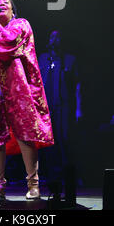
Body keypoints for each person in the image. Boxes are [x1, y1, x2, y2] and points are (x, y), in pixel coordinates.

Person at [0, 0, 54, 200]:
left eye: (4, 2)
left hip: (18, 89)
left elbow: (8, 44)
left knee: (25, 134)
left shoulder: (21, 25)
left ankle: (33, 184)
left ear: (12, 9)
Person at [38, 30, 82, 193]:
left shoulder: (70, 60)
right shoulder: (43, 59)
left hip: (64, 107)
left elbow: (77, 85)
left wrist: (79, 108)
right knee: (49, 143)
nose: (55, 39)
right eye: (52, 36)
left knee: (64, 140)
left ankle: (69, 177)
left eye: (58, 36)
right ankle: (51, 178)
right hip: (46, 108)